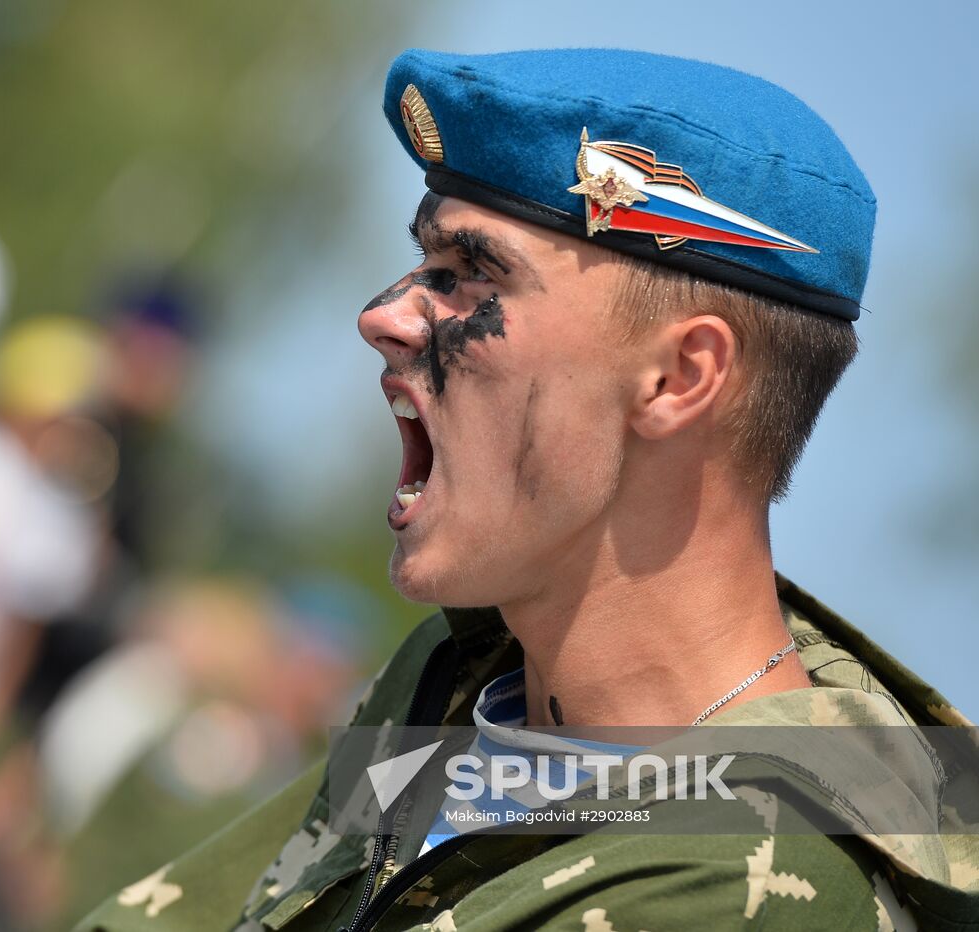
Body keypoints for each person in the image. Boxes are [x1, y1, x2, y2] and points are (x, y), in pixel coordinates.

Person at [73, 49, 979, 930]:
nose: (384, 317)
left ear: (679, 378)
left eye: (469, 274)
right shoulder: (459, 683)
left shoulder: (744, 887)